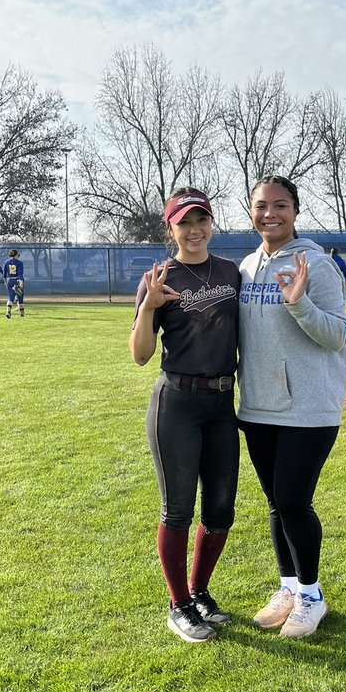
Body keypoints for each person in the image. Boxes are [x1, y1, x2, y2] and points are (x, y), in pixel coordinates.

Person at [238, 175, 346, 640]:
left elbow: (337, 334)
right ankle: (287, 587)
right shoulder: (246, 267)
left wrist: (299, 303)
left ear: (296, 210)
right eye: (261, 206)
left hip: (308, 407)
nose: (270, 215)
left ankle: (311, 596)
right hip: (258, 406)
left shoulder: (316, 264)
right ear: (251, 213)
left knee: (293, 501)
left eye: (280, 206)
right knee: (274, 504)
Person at [130, 188, 241, 644]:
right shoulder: (159, 276)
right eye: (184, 222)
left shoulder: (230, 272)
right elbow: (140, 355)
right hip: (176, 402)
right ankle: (178, 606)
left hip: (220, 404)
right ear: (170, 228)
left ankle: (199, 594)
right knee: (177, 509)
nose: (194, 230)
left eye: (202, 220)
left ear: (211, 223)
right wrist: (148, 308)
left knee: (220, 509)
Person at [3, 249, 25, 319]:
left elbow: (4, 275)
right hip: (17, 281)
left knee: (11, 298)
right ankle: (21, 314)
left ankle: (8, 312)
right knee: (20, 297)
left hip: (9, 281)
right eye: (17, 254)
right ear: (15, 255)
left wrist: (5, 282)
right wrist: (21, 282)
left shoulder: (6, 262)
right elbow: (20, 274)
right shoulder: (19, 263)